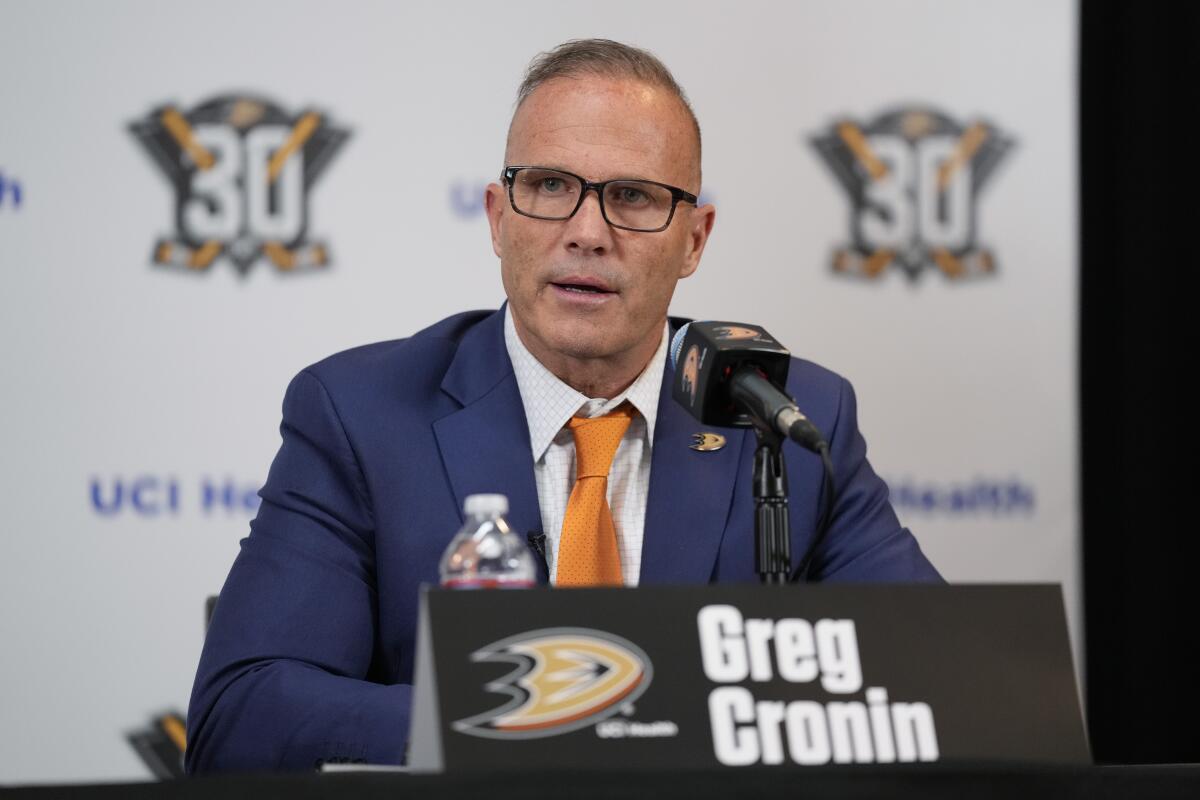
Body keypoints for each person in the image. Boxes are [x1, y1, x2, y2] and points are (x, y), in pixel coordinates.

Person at [185, 39, 941, 773]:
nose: (587, 233)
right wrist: (526, 723)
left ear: (694, 240)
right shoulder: (362, 415)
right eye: (549, 186)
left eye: (634, 197)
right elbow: (244, 713)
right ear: (497, 216)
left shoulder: (786, 416)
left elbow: (936, 681)